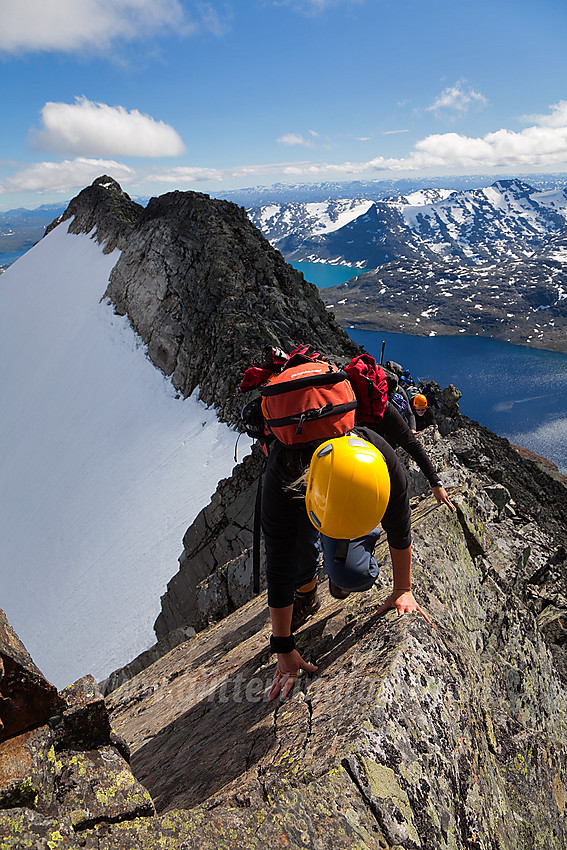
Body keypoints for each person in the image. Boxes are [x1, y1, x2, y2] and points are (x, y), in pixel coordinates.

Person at [262, 427, 449, 702]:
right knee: (298, 563)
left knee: (353, 575)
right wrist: (283, 646)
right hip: (300, 486)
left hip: (340, 490)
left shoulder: (381, 464)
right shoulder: (283, 471)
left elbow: (399, 527)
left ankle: (340, 563)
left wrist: (403, 589)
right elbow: (279, 564)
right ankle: (307, 593)